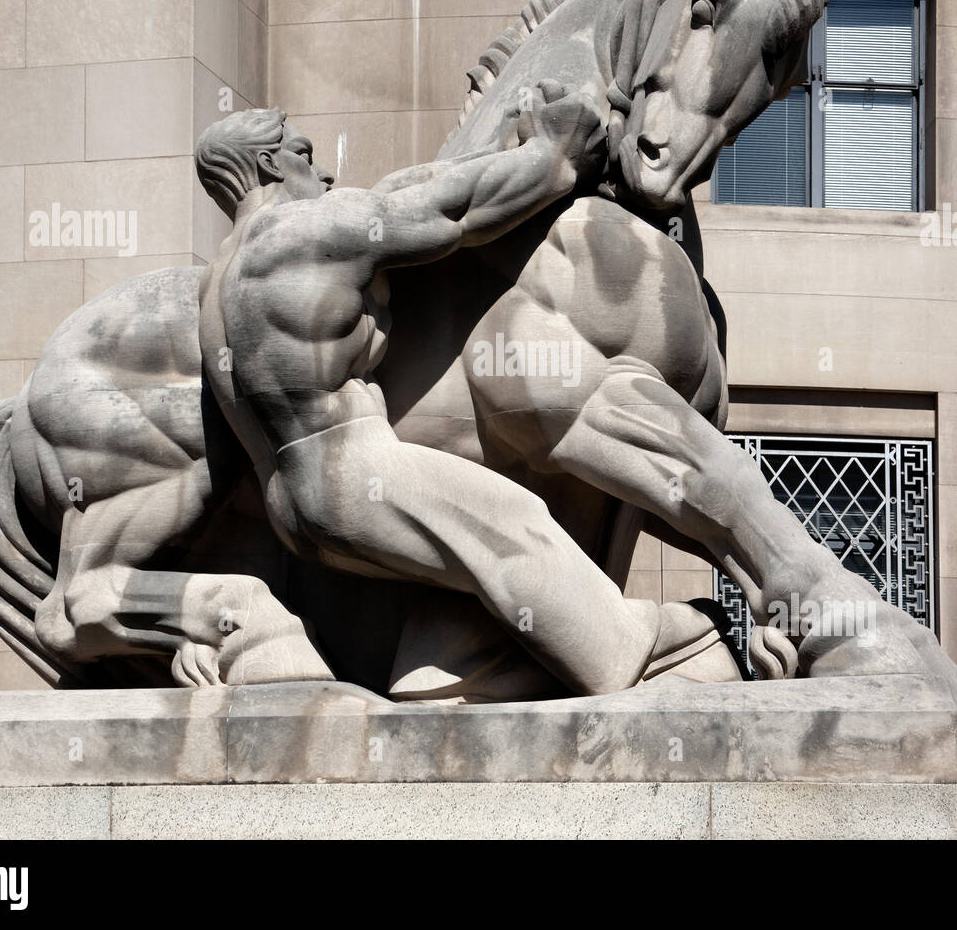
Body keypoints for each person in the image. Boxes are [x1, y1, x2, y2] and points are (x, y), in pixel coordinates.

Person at [193, 84, 742, 695]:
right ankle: (627, 653)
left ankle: (451, 669)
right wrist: (556, 153)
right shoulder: (305, 228)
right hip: (352, 468)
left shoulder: (218, 276)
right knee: (514, 520)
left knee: (468, 556)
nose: (322, 171)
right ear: (270, 164)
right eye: (304, 152)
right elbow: (451, 214)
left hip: (288, 502)